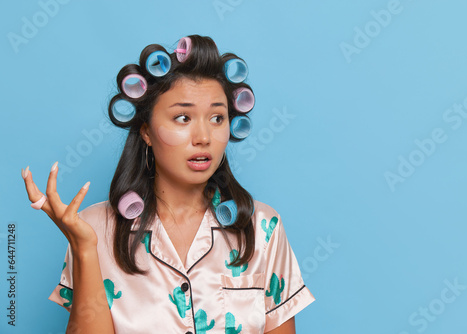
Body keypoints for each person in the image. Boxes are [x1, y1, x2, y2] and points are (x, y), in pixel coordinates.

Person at [22, 35, 315, 334]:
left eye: (217, 117)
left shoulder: (263, 228)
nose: (203, 137)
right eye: (183, 117)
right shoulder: (93, 229)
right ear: (146, 131)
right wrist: (83, 248)